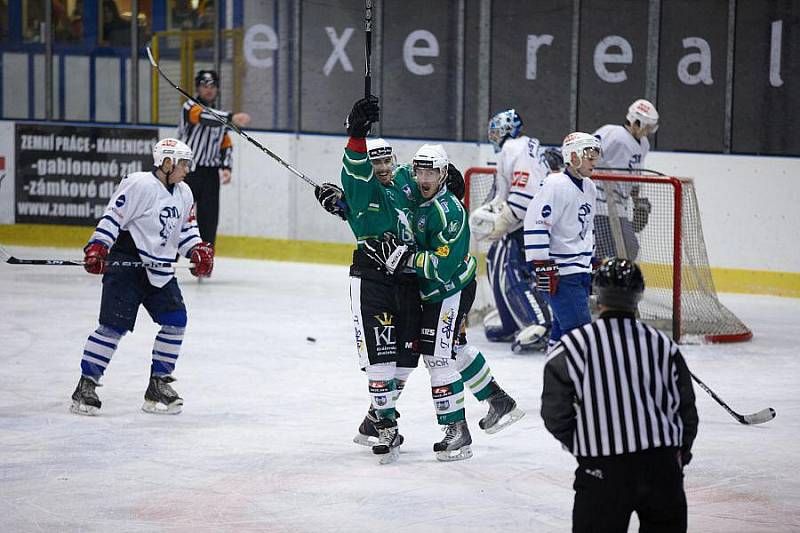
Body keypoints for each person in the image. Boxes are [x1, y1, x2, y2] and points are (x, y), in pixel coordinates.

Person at [363, 143, 525, 462]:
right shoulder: (407, 180)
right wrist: (344, 201)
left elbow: (441, 267)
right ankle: (498, 400)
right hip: (431, 292)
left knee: (437, 356)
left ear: (443, 173)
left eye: (432, 172)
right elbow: (382, 185)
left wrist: (405, 257)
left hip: (449, 288)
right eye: (419, 171)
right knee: (453, 348)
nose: (424, 178)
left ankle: (457, 432)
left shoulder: (447, 211)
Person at [540, 258, 699, 532]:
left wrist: (584, 446)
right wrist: (679, 454)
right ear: (638, 296)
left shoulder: (573, 345)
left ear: (597, 295)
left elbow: (554, 412)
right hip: (662, 468)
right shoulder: (664, 345)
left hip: (603, 468)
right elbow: (686, 410)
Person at [70, 138, 215, 416]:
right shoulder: (139, 184)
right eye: (183, 163)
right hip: (128, 265)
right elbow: (113, 217)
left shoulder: (185, 192)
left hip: (160, 270)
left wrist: (196, 250)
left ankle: (158, 384)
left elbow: (185, 231)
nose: (187, 169)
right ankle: (86, 384)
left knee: (175, 322)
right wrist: (99, 246)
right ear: (167, 162)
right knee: (112, 328)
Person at [469, 109, 554, 352]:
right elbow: (505, 194)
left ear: (509, 130)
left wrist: (504, 220)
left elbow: (525, 193)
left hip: (531, 223)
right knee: (495, 259)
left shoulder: (514, 148)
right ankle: (510, 322)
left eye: (497, 132)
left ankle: (541, 324)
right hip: (532, 219)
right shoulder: (524, 147)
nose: (493, 137)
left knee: (513, 271)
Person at [523, 132, 600, 350]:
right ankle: (572, 382)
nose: (594, 161)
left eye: (595, 156)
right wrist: (540, 263)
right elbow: (537, 222)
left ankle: (554, 378)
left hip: (580, 272)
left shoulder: (590, 187)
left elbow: (586, 227)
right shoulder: (555, 184)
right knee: (580, 335)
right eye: (589, 156)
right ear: (573, 156)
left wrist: (591, 259)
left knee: (561, 330)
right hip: (560, 273)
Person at [177, 70, 250, 250]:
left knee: (209, 219)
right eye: (204, 86)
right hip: (187, 172)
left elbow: (225, 143)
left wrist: (226, 167)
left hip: (210, 174)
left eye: (212, 86)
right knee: (179, 216)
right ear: (198, 88)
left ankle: (204, 260)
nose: (209, 90)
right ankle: (167, 258)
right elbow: (203, 117)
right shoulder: (189, 107)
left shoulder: (220, 117)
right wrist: (231, 118)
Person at [593, 99, 658, 260]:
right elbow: (584, 151)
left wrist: (638, 201)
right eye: (647, 127)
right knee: (626, 250)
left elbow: (635, 177)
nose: (649, 131)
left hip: (618, 207)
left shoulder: (644, 145)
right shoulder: (612, 133)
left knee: (623, 251)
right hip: (599, 203)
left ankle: (599, 282)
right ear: (636, 122)